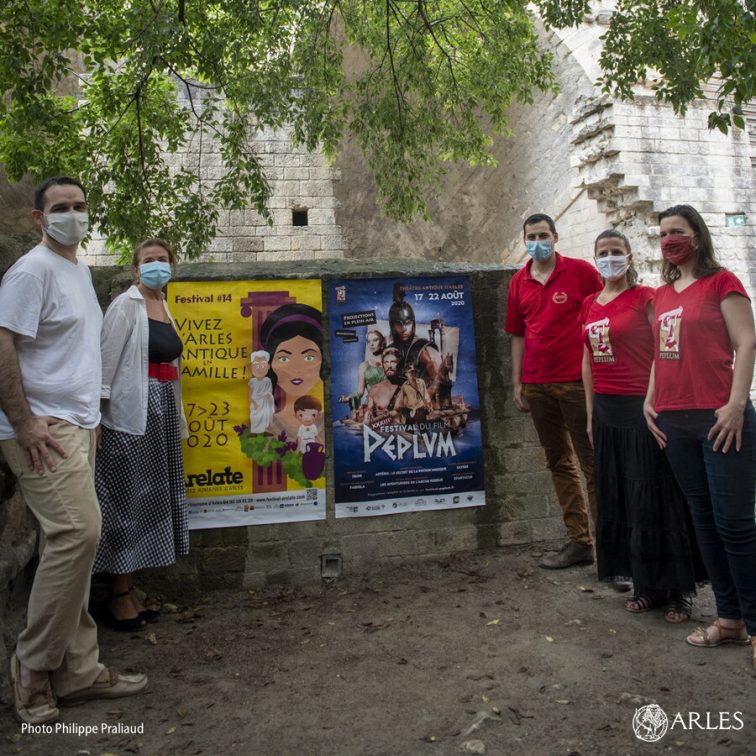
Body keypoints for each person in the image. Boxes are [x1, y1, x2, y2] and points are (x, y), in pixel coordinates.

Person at [0, 177, 147, 724]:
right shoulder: (31, 271)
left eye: (80, 206)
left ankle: (79, 670)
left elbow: (71, 353)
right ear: (39, 219)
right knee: (78, 533)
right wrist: (23, 421)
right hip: (42, 429)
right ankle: (32, 668)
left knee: (74, 545)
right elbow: (3, 342)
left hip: (76, 426)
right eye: (60, 207)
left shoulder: (78, 270)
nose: (73, 214)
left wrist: (91, 419)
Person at [643, 205, 756, 672]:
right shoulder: (661, 294)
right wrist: (649, 399)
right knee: (704, 522)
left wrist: (736, 404)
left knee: (735, 525)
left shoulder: (722, 283)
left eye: (678, 231)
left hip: (720, 418)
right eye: (663, 233)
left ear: (697, 235)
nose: (669, 239)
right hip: (674, 421)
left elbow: (746, 342)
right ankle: (729, 619)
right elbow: (660, 353)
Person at [581, 230, 704, 621]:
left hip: (643, 408)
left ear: (630, 258)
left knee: (655, 495)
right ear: (595, 258)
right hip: (606, 412)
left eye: (616, 251)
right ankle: (645, 584)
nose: (610, 258)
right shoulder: (588, 304)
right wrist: (590, 414)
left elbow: (665, 350)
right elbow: (587, 360)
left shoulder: (646, 298)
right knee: (621, 497)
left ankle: (679, 590)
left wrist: (654, 400)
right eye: (603, 252)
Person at [93, 238, 189, 631]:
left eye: (163, 260)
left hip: (160, 413)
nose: (156, 266)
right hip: (130, 418)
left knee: (148, 499)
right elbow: (104, 366)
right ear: (135, 269)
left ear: (172, 266)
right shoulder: (125, 306)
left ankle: (129, 589)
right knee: (127, 501)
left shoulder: (163, 306)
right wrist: (97, 419)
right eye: (148, 261)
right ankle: (116, 596)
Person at [504, 213, 602, 569]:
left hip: (577, 384)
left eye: (543, 235)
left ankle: (611, 551)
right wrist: (518, 383)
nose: (537, 242)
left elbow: (602, 319)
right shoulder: (519, 282)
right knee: (559, 463)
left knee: (593, 465)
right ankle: (580, 542)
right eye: (531, 236)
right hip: (537, 386)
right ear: (524, 241)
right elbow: (517, 334)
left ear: (556, 237)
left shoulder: (581, 272)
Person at [259, 303, 323, 441]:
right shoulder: (266, 426)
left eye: (308, 358)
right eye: (284, 359)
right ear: (271, 364)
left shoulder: (332, 422)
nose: (296, 368)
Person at [389, 284, 440, 384]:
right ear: (393, 325)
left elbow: (435, 374)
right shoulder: (389, 349)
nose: (404, 329)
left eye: (408, 323)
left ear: (413, 324)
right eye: (399, 324)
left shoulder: (419, 347)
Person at [339, 329, 386, 414]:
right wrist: (348, 398)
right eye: (368, 341)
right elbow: (360, 392)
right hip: (372, 406)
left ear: (382, 342)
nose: (371, 344)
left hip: (391, 403)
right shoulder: (363, 366)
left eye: (375, 340)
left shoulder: (391, 362)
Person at [365, 347, 404, 425]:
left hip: (402, 431)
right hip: (379, 430)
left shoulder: (407, 387)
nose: (389, 366)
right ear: (383, 365)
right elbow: (368, 414)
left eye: (393, 362)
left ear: (399, 364)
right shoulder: (375, 389)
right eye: (386, 362)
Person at [248, 350, 275, 433]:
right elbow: (250, 395)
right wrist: (254, 402)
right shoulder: (252, 381)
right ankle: (254, 431)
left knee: (266, 415)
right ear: (251, 367)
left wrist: (268, 396)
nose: (260, 368)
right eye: (256, 365)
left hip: (265, 402)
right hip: (255, 401)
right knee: (254, 416)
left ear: (268, 366)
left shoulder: (267, 380)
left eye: (263, 365)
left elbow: (269, 392)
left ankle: (266, 430)